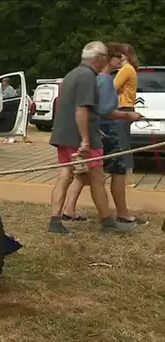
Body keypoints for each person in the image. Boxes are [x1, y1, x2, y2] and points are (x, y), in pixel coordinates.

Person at [48, 41, 137, 234]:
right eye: (105, 56)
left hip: (63, 135)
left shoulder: (72, 74)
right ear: (98, 58)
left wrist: (127, 115)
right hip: (79, 136)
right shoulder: (88, 77)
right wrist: (86, 140)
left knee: (65, 175)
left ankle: (55, 221)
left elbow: (94, 110)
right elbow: (82, 109)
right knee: (97, 176)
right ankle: (108, 222)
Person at [114, 43, 140, 187]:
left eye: (119, 53)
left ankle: (128, 177)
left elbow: (113, 86)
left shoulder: (126, 69)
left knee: (122, 144)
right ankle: (125, 175)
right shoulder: (130, 69)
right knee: (123, 142)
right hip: (127, 108)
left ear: (125, 55)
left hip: (123, 108)